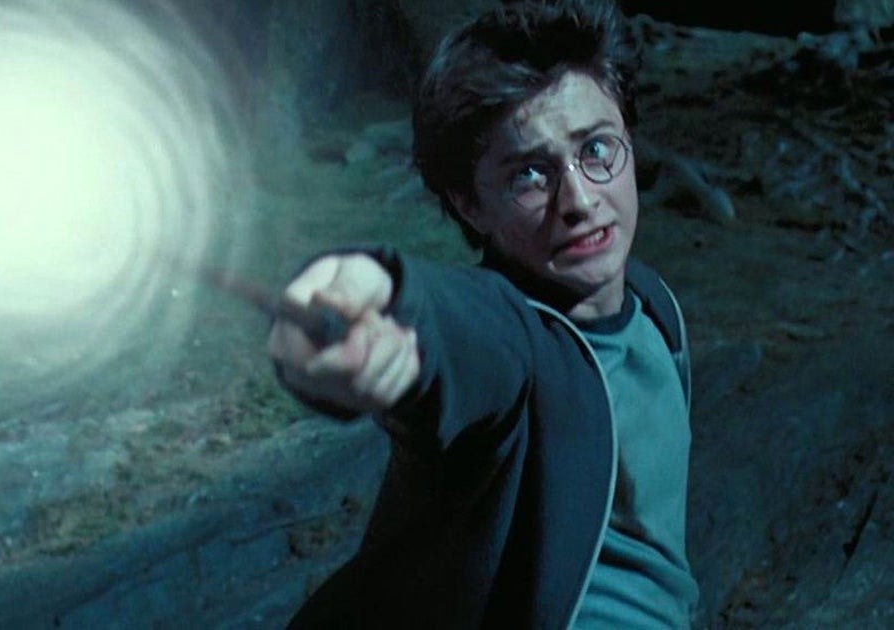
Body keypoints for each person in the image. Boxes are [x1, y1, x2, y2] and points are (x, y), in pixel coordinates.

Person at [266, 0, 700, 627]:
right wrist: (374, 294)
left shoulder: (655, 307)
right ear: (470, 205)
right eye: (530, 174)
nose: (579, 200)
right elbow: (457, 328)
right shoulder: (513, 340)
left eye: (597, 149)